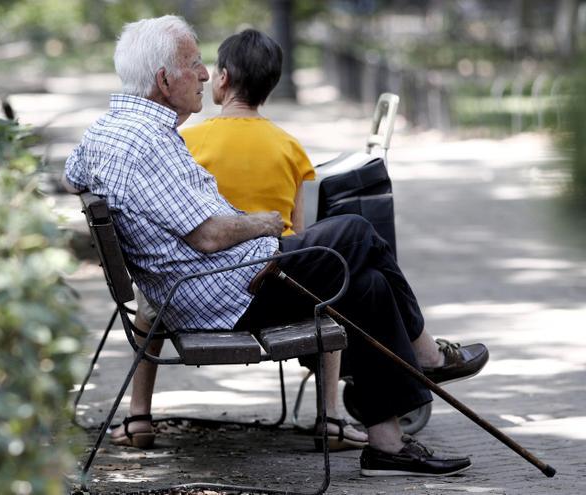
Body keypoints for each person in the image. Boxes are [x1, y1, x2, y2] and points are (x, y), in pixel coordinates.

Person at [64, 15, 488, 477]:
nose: (206, 74)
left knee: (366, 286)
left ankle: (386, 446)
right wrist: (262, 224)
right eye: (194, 64)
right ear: (165, 80)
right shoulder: (147, 143)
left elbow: (72, 175)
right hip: (227, 293)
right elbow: (206, 236)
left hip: (215, 284)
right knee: (358, 231)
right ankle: (426, 355)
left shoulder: (107, 132)